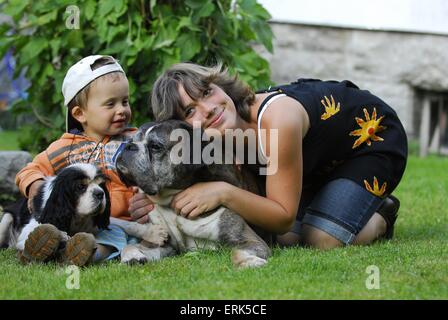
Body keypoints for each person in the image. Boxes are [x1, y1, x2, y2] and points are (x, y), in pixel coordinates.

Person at [149, 62, 408, 249]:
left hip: (371, 141)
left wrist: (221, 192)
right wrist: (149, 198)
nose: (207, 109)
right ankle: (337, 202)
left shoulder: (278, 119)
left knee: (321, 239)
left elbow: (282, 216)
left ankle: (382, 214)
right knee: (279, 238)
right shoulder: (217, 134)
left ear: (219, 86)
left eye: (206, 92)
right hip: (319, 163)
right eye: (189, 111)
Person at [14, 55, 154, 265]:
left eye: (125, 101)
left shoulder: (135, 142)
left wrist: (149, 198)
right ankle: (49, 246)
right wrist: (36, 186)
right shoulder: (64, 147)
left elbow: (153, 173)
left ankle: (75, 254)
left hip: (117, 224)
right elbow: (29, 170)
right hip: (79, 223)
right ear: (80, 113)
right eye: (110, 104)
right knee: (60, 233)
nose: (122, 110)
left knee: (112, 240)